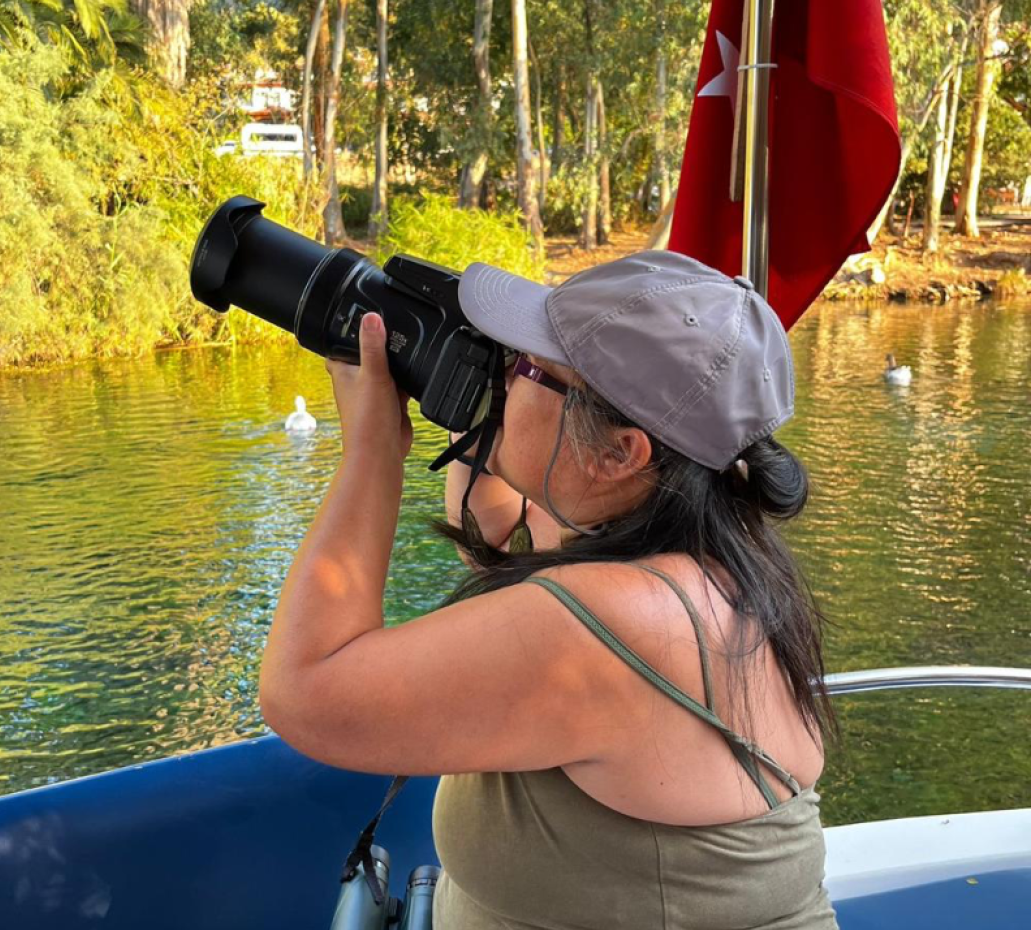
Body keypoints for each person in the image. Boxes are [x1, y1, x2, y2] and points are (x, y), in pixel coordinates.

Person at [260, 250, 838, 929]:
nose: (501, 369)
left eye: (524, 366)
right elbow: (502, 538)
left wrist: (373, 448)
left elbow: (304, 695)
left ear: (620, 453)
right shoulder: (709, 559)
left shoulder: (619, 627)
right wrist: (484, 414)